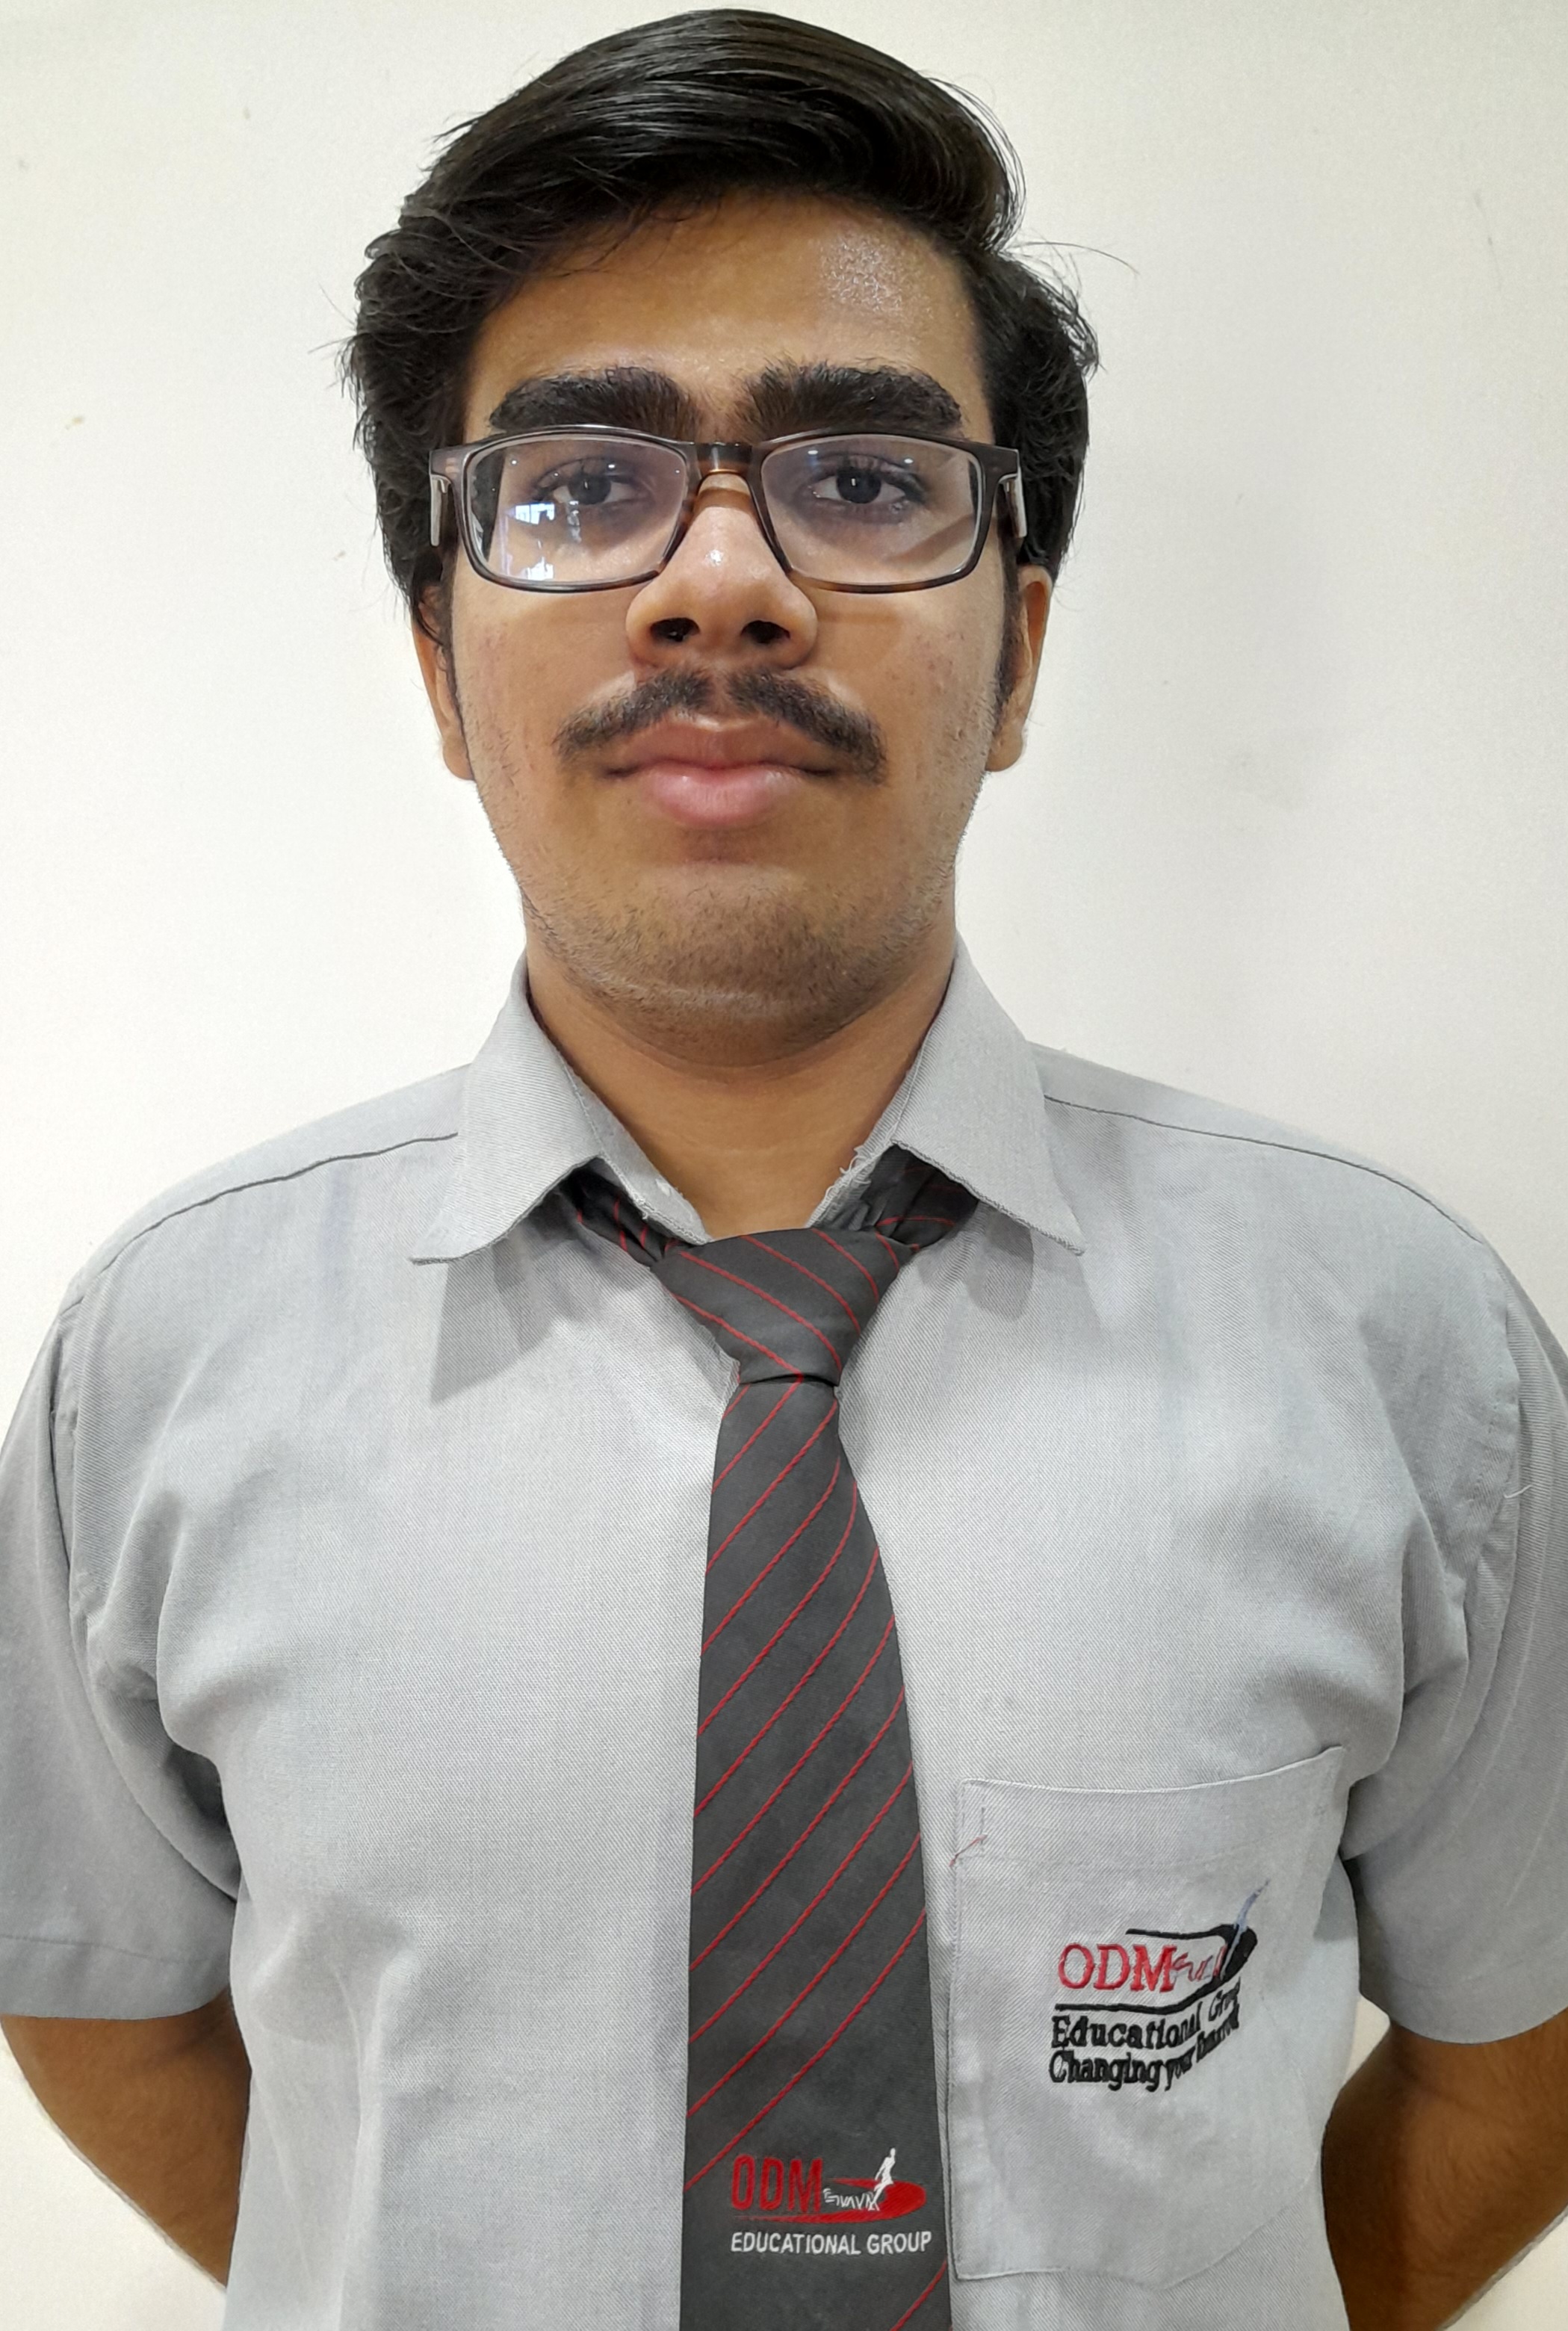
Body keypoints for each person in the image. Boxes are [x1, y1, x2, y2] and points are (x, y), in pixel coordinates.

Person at [1, 11, 1566, 2328]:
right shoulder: (165, 1358)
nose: (717, 586)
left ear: (1014, 654)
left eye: (859, 479)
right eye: (575, 486)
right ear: (439, 669)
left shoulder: (1401, 1344)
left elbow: (1520, 2044)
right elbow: (93, 1998)